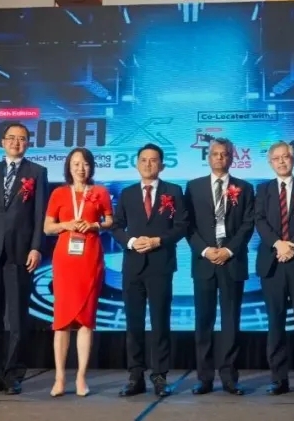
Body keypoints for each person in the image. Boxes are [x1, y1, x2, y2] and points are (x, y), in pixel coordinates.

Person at [0, 123, 47, 395]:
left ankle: (13, 374)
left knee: (16, 319)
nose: (16, 142)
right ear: (2, 142)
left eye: (22, 139)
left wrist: (36, 247)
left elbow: (39, 214)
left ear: (28, 143)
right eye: (11, 138)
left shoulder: (37, 172)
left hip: (20, 251)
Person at [111, 144, 189, 398]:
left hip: (160, 264)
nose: (148, 164)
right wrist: (131, 242)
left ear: (162, 165)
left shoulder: (173, 191)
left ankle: (160, 376)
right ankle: (135, 376)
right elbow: (116, 226)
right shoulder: (127, 193)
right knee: (133, 323)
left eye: (153, 160)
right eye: (143, 160)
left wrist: (158, 241)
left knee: (160, 322)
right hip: (133, 266)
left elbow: (181, 226)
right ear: (136, 164)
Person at [185, 137, 255, 395]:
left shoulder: (245, 188)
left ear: (232, 157)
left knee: (230, 322)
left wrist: (228, 250)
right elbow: (187, 225)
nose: (219, 158)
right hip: (204, 262)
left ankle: (229, 377)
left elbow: (248, 224)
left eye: (224, 154)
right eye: (215, 154)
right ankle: (204, 378)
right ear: (208, 157)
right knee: (203, 322)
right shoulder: (193, 187)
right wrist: (205, 251)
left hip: (232, 262)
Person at [43, 147, 113, 397]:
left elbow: (110, 221)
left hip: (90, 257)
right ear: (68, 167)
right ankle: (60, 378)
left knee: (86, 320)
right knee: (61, 321)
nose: (80, 168)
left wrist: (94, 225)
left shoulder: (100, 192)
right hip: (65, 260)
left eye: (85, 164)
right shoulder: (59, 193)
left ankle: (81, 377)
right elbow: (47, 227)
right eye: (75, 164)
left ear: (91, 166)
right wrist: (67, 224)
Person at [253, 141, 294, 396]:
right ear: (270, 162)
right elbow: (259, 220)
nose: (282, 161)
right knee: (275, 323)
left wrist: (293, 245)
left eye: (286, 157)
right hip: (272, 263)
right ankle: (278, 379)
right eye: (277, 158)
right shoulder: (263, 189)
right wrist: (278, 244)